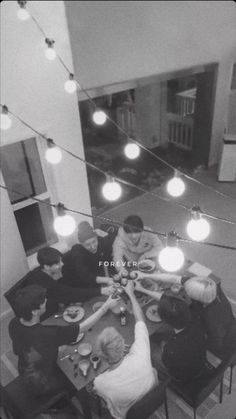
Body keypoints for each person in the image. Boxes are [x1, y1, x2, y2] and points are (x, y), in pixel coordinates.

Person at [8, 284, 119, 399]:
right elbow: (83, 327)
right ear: (34, 312)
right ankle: (71, 399)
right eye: (42, 301)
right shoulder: (47, 333)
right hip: (44, 385)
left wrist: (49, 348)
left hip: (24, 372)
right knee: (83, 380)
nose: (45, 300)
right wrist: (106, 306)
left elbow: (19, 350)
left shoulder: (13, 323)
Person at [93, 281, 157, 419]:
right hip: (153, 397)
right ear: (124, 345)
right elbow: (140, 319)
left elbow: (97, 390)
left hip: (126, 414)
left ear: (103, 358)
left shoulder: (100, 382)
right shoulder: (140, 351)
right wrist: (131, 294)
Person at [28, 246, 114, 319]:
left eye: (61, 260)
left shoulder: (44, 271)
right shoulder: (42, 281)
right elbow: (70, 292)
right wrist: (102, 291)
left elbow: (68, 289)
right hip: (44, 317)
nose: (62, 264)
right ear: (47, 266)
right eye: (58, 263)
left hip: (56, 307)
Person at [153, 295, 207, 382]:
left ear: (166, 322)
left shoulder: (172, 348)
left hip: (182, 376)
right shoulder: (194, 319)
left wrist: (163, 346)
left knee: (151, 348)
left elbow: (166, 362)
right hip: (200, 362)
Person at [184, 276, 236, 357]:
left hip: (221, 345)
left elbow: (216, 343)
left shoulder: (210, 318)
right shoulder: (215, 289)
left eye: (188, 294)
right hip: (230, 325)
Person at [62, 221, 114, 289]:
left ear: (96, 237)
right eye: (87, 245)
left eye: (94, 241)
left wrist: (107, 277)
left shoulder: (101, 241)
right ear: (81, 244)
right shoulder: (77, 252)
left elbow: (104, 260)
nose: (93, 247)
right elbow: (84, 275)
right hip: (74, 278)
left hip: (92, 271)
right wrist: (106, 280)